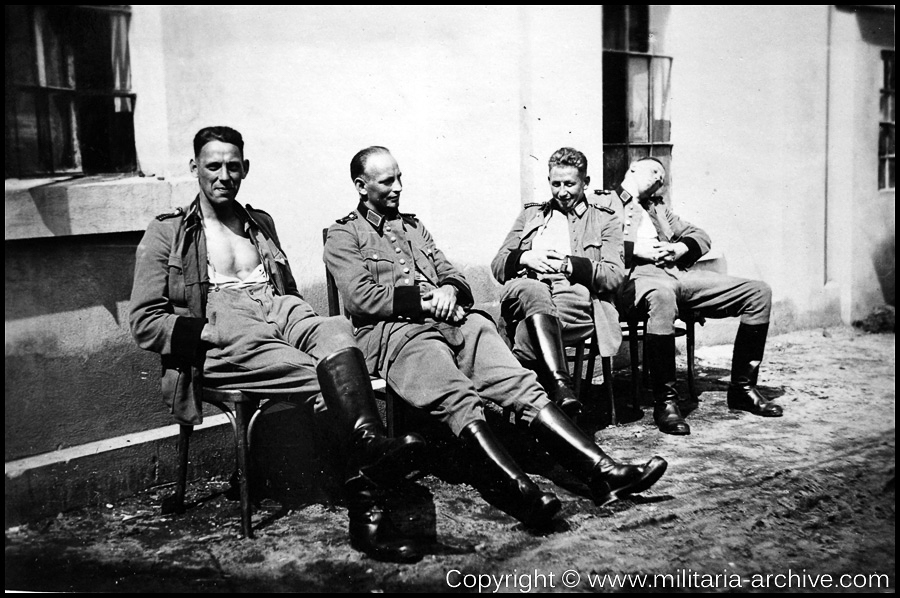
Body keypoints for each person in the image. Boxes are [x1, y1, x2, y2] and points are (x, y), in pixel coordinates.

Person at [323, 146, 667, 528]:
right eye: (388, 181)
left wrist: (451, 291)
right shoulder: (343, 234)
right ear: (361, 185)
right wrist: (427, 301)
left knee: (520, 383)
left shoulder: (413, 226)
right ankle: (521, 495)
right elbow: (362, 298)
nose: (398, 187)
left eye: (400, 177)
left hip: (457, 323)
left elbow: (449, 272)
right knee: (457, 398)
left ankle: (602, 472)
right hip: (398, 335)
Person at [128, 126, 426, 562]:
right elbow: (143, 321)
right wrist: (207, 331)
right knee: (321, 378)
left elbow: (286, 291)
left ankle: (369, 445)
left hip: (278, 306)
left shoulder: (259, 223)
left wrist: (301, 323)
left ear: (245, 168)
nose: (224, 175)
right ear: (195, 168)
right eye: (213, 166)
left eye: (233, 166)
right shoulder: (168, 231)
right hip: (225, 326)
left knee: (339, 336)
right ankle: (369, 510)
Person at [613, 157, 781, 436]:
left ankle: (742, 389)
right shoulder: (605, 203)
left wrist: (680, 248)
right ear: (632, 167)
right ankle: (666, 403)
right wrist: (639, 250)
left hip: (678, 275)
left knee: (758, 292)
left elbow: (700, 236)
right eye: (654, 170)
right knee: (663, 296)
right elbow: (595, 245)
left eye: (663, 176)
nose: (659, 179)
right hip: (638, 278)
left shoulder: (659, 209)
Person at [491, 147, 624, 420]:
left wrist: (568, 265)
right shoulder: (531, 215)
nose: (562, 192)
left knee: (528, 335)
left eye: (570, 184)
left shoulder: (604, 218)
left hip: (572, 293)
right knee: (533, 289)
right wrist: (526, 256)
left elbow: (614, 276)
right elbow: (498, 265)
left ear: (585, 183)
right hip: (528, 287)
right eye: (556, 183)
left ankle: (529, 419)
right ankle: (558, 398)